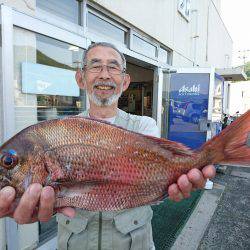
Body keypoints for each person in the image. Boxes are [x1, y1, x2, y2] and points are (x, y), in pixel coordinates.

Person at [0, 42, 215, 249]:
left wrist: (182, 171)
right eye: (95, 66)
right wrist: (34, 204)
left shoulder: (143, 126)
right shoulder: (62, 131)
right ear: (80, 78)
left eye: (113, 67)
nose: (104, 74)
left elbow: (157, 171)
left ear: (125, 81)